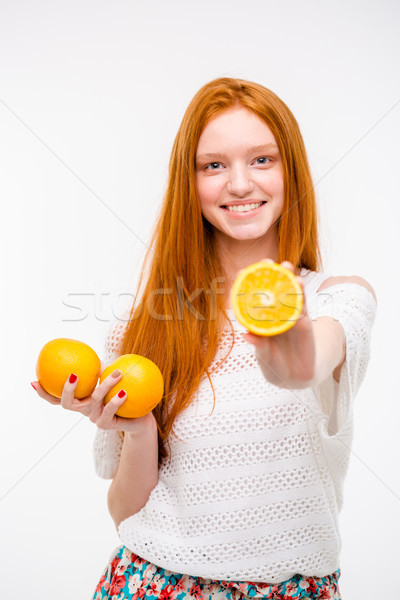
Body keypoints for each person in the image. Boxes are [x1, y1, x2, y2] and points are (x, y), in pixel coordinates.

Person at [32, 77, 377, 600]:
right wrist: (142, 431)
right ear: (189, 183)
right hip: (147, 584)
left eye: (262, 159)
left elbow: (305, 363)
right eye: (213, 165)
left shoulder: (337, 299)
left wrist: (288, 345)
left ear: (292, 171)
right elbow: (126, 515)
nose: (239, 184)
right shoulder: (141, 323)